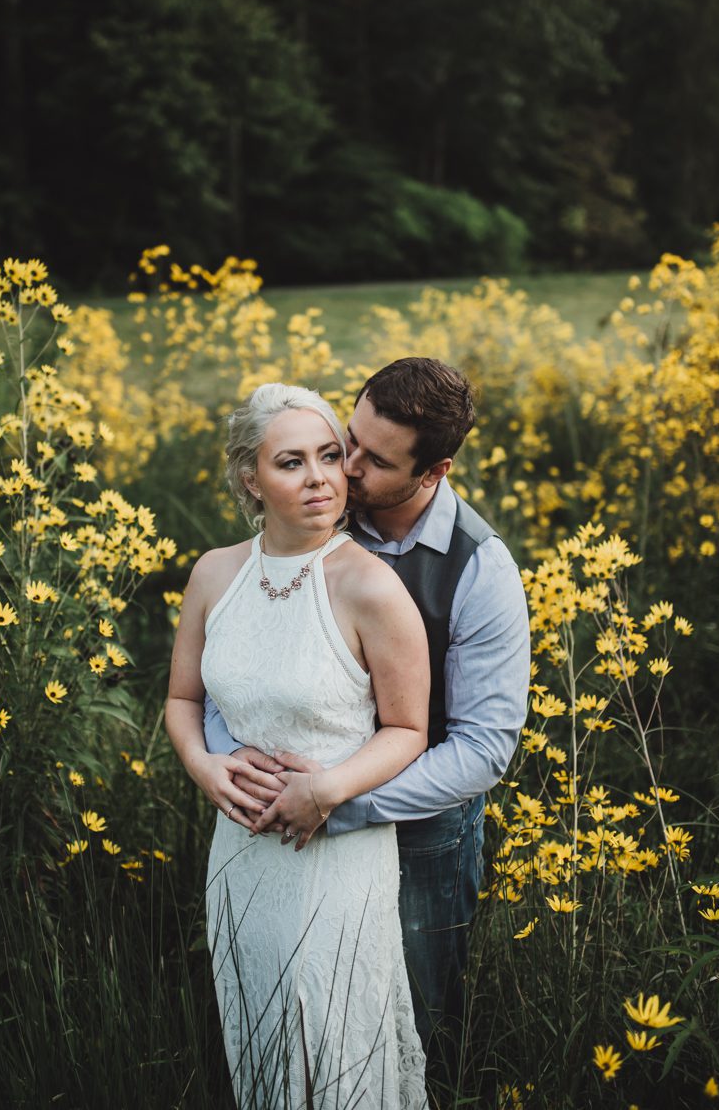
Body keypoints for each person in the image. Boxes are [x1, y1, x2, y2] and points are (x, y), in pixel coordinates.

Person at [207, 357, 530, 1072]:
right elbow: (235, 648)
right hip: (281, 821)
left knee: (410, 1017)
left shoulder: (479, 570)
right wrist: (227, 756)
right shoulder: (311, 503)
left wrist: (337, 798)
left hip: (420, 834)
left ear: (432, 471)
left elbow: (480, 750)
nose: (342, 468)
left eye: (371, 459)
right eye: (345, 438)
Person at [165, 382, 431, 1109]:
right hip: (240, 854)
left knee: (334, 1045)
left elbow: (408, 730)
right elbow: (183, 699)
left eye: (328, 456)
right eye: (290, 462)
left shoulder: (369, 586)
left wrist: (328, 789)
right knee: (260, 1040)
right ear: (251, 477)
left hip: (333, 856)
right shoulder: (215, 573)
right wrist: (203, 765)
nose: (319, 477)